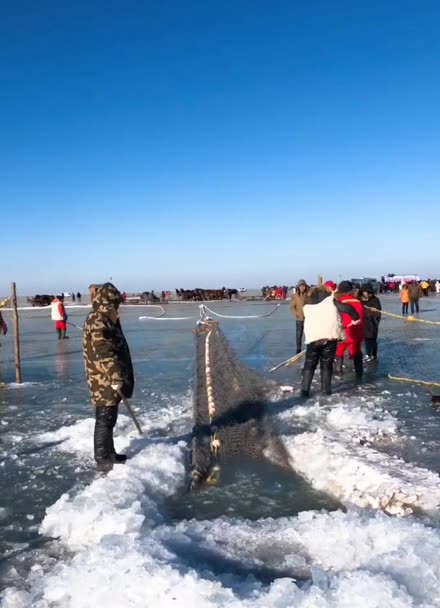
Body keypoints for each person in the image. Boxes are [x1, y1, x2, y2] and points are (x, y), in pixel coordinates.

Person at [83, 283, 134, 472]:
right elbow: (103, 350)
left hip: (105, 376)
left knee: (109, 416)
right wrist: (115, 375)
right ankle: (102, 457)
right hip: (102, 378)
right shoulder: (98, 319)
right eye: (115, 303)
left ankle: (110, 453)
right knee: (105, 417)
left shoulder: (103, 317)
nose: (117, 307)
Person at [301, 285, 360, 397]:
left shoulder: (307, 304)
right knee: (326, 364)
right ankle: (326, 391)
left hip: (313, 338)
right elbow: (347, 308)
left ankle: (304, 391)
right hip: (329, 337)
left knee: (309, 364)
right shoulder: (330, 301)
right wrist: (355, 318)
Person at [334, 281, 365, 379]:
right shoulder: (358, 302)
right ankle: (359, 374)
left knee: (339, 352)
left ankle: (338, 373)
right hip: (357, 332)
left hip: (344, 333)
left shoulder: (339, 302)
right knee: (356, 352)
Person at [359, 283, 382, 361]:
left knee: (372, 340)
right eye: (363, 291)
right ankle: (368, 354)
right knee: (367, 339)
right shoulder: (360, 300)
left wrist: (373, 313)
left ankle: (374, 355)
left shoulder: (375, 299)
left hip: (372, 323)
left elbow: (378, 311)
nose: (365, 293)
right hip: (364, 322)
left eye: (366, 291)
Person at [290, 279, 308, 354]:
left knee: (308, 334)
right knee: (299, 334)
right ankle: (298, 348)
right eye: (301, 286)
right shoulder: (295, 296)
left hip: (307, 318)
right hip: (299, 319)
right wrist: (296, 313)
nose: (302, 288)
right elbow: (292, 307)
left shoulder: (308, 295)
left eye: (303, 286)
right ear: (298, 287)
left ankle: (309, 347)